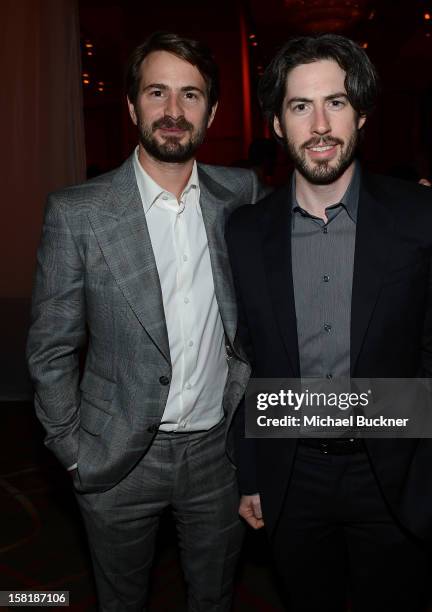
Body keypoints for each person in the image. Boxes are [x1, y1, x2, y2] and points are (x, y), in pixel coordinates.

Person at [225, 34, 432, 612]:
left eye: (335, 102)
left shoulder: (421, 216)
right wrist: (253, 471)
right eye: (299, 106)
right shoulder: (245, 232)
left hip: (397, 473)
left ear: (361, 113)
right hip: (292, 475)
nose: (319, 125)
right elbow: (249, 361)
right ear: (277, 124)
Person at [26, 32, 267, 612]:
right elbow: (50, 349)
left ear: (211, 111)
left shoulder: (243, 193)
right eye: (157, 93)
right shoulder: (78, 212)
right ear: (133, 106)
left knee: (214, 598)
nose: (174, 111)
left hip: (218, 453)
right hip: (116, 459)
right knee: (121, 600)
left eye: (191, 95)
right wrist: (74, 450)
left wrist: (420, 204)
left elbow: (320, 207)